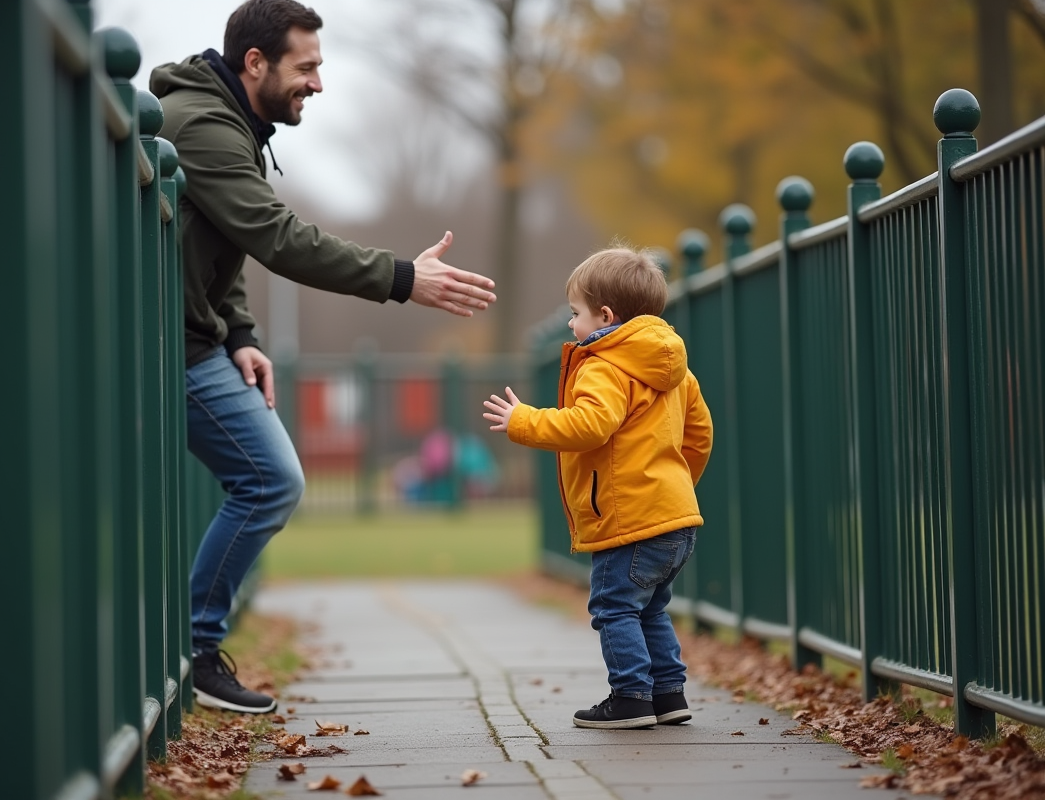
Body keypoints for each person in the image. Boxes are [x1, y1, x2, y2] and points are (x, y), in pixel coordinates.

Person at [149, 0, 497, 715]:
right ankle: (192, 648)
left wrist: (241, 334)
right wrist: (403, 279)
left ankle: (191, 645)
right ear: (256, 63)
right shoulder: (205, 126)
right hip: (168, 346)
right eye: (306, 67)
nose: (317, 83)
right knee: (270, 480)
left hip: (201, 339)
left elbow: (223, 243)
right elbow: (276, 237)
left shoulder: (228, 122)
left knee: (270, 481)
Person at [483, 247, 712, 729]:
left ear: (605, 316)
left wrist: (523, 420)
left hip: (627, 518)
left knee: (614, 607)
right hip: (674, 517)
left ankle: (630, 697)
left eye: (575, 314)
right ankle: (668, 694)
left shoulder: (605, 364)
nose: (570, 325)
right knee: (650, 607)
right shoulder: (675, 368)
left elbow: (590, 425)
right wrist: (675, 487)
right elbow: (700, 435)